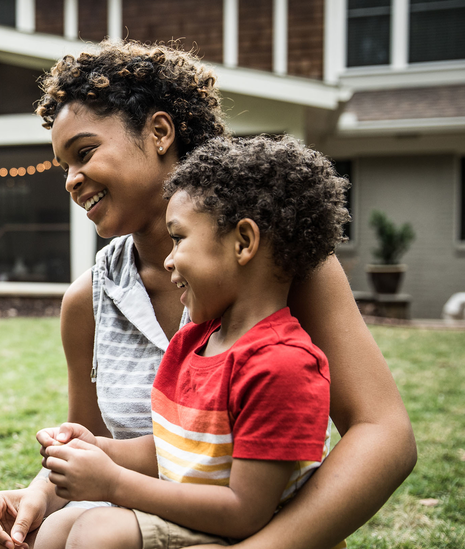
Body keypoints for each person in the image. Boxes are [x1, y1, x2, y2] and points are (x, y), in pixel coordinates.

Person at [0, 41, 416, 549]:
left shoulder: (283, 265)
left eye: (84, 152)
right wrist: (34, 497)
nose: (72, 180)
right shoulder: (88, 301)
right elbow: (99, 455)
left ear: (160, 132)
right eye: (63, 168)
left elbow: (384, 435)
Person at [32, 135, 350, 549]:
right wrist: (102, 449)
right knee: (56, 529)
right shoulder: (194, 343)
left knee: (97, 533)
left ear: (244, 242)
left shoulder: (285, 367)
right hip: (193, 515)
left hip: (246, 530)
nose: (167, 259)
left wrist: (114, 483)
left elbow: (244, 510)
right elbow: (175, 447)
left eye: (179, 239)